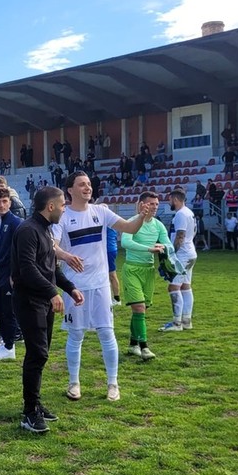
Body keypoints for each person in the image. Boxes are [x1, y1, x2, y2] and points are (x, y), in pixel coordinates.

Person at [55, 172, 150, 403]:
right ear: (70, 190)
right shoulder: (63, 216)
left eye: (89, 184)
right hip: (75, 286)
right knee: (76, 335)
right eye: (82, 184)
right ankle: (74, 383)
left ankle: (113, 384)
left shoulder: (101, 211)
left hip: (100, 284)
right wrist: (67, 256)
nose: (87, 187)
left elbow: (129, 228)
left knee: (107, 333)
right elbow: (52, 245)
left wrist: (141, 216)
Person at [12, 186, 83, 433]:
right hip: (29, 300)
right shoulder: (28, 230)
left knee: (41, 353)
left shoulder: (46, 230)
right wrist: (52, 292)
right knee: (37, 354)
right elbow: (28, 269)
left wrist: (70, 288)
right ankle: (29, 412)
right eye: (62, 205)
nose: (64, 209)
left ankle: (35, 404)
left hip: (43, 301)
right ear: (50, 206)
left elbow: (51, 268)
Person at [121, 192, 172, 361]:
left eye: (157, 204)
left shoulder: (158, 225)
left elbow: (169, 245)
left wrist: (163, 246)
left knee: (141, 309)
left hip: (149, 271)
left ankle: (133, 344)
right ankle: (144, 348)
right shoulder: (131, 222)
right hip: (132, 269)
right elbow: (125, 242)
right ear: (141, 205)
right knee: (139, 307)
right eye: (151, 204)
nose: (154, 207)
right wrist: (149, 249)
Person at [0, 188, 22, 359]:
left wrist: (14, 274)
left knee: (8, 311)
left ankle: (9, 347)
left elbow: (20, 251)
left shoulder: (16, 223)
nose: (1, 205)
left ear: (10, 202)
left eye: (5, 201)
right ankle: (5, 342)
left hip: (8, 272)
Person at [159, 189, 198, 332]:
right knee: (185, 286)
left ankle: (177, 323)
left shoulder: (181, 214)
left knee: (173, 287)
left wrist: (171, 255)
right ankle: (186, 321)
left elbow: (180, 236)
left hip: (182, 255)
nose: (169, 202)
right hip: (190, 252)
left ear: (175, 199)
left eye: (169, 200)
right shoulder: (189, 212)